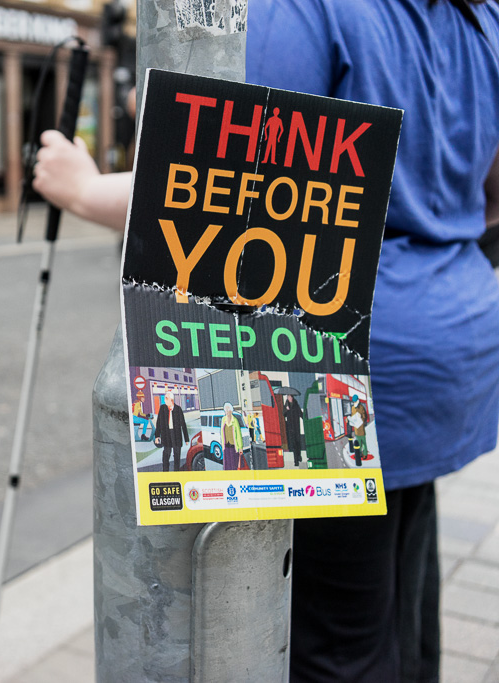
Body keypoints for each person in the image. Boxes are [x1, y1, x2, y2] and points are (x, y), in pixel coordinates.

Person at [32, 1, 499, 679]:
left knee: (333, 647)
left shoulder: (313, 9)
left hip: (343, 368)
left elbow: (233, 188)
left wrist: (79, 189)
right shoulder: (479, 17)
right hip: (449, 346)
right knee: (399, 614)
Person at [155, 394, 189, 471]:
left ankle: (176, 472)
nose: (165, 400)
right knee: (166, 454)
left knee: (177, 455)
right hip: (166, 435)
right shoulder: (162, 408)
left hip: (176, 435)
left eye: (167, 398)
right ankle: (165, 472)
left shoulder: (178, 409)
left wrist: (186, 439)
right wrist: (157, 436)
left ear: (171, 400)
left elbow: (183, 424)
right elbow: (158, 422)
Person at [282, 394, 305, 467]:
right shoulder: (286, 405)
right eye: (287, 397)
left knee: (298, 443)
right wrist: (286, 409)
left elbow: (300, 413)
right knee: (293, 444)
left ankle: (299, 456)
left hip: (296, 427)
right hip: (290, 427)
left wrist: (305, 419)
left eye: (289, 397)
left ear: (292, 397)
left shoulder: (296, 404)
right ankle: (296, 461)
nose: (288, 398)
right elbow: (284, 414)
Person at [220, 403, 244, 471]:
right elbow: (221, 433)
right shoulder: (223, 419)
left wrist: (240, 447)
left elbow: (239, 434)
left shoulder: (235, 420)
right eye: (226, 410)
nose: (227, 411)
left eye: (228, 409)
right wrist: (222, 445)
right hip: (226, 446)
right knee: (227, 465)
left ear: (231, 411)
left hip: (234, 446)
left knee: (234, 464)